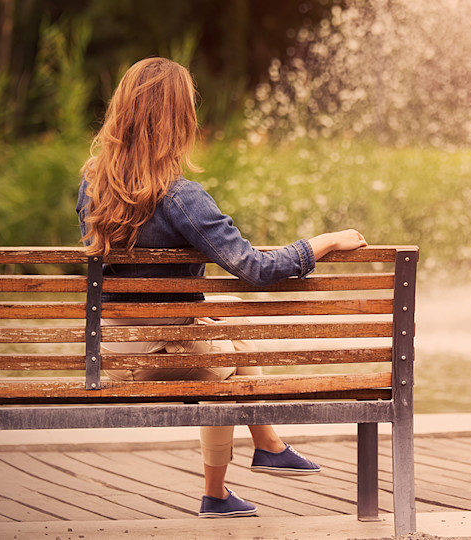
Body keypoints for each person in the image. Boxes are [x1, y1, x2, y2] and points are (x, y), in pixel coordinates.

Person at [75, 57, 367, 518]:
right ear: (179, 122)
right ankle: (264, 447)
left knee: (228, 336)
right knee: (228, 356)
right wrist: (321, 243)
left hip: (112, 352)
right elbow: (253, 267)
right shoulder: (180, 196)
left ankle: (228, 485)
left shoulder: (93, 184)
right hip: (162, 353)